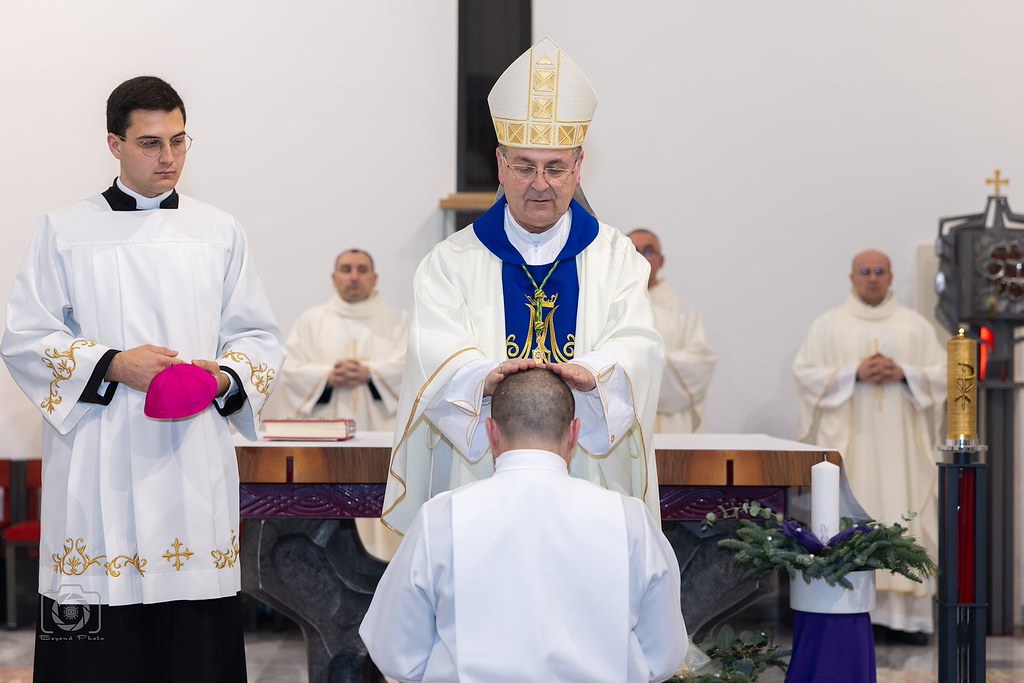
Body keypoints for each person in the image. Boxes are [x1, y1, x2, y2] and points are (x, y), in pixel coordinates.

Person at [1, 76, 284, 680]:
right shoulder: (63, 230)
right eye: (151, 143)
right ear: (115, 144)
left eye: (179, 141)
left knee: (194, 646)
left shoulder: (219, 230)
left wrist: (224, 378)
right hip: (98, 459)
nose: (169, 157)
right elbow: (24, 336)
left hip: (190, 462)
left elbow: (258, 336)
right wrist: (111, 364)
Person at [382, 38, 664, 534]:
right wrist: (481, 377)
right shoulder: (451, 262)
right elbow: (432, 350)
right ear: (500, 164)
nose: (540, 183)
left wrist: (592, 374)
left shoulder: (616, 258)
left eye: (555, 168)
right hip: (480, 475)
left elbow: (638, 345)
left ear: (578, 167)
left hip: (586, 474)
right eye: (524, 166)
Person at [361, 368, 687, 682]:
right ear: (574, 433)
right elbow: (664, 656)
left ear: (491, 433)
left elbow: (396, 653)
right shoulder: (629, 518)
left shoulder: (441, 516)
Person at [792, 249, 945, 644]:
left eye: (879, 271)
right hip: (851, 447)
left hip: (902, 452)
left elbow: (942, 374)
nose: (872, 277)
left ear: (890, 277)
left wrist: (904, 373)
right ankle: (851, 612)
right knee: (850, 513)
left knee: (902, 514)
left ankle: (907, 620)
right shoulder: (828, 326)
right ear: (852, 277)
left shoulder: (915, 326)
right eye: (865, 271)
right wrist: (853, 373)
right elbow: (805, 373)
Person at [266, 248, 407, 558]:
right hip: (326, 437)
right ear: (334, 278)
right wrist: (326, 377)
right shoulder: (311, 321)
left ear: (374, 278)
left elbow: (412, 370)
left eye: (361, 269)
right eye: (346, 269)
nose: (354, 276)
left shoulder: (399, 321)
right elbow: (289, 371)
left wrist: (371, 374)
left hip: (381, 437)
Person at [629, 228, 716, 432]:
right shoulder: (609, 307)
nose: (641, 258)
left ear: (661, 260)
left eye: (648, 251)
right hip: (624, 420)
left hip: (671, 423)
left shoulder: (683, 311)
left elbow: (701, 362)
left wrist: (642, 367)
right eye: (633, 251)